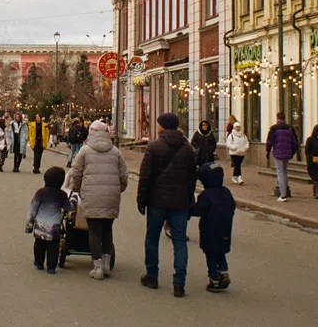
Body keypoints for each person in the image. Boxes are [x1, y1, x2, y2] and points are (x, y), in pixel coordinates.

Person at [137, 112, 198, 298]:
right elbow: (191, 178)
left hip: (157, 202)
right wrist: (189, 200)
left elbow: (145, 176)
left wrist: (141, 199)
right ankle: (179, 283)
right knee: (179, 241)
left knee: (152, 238)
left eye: (158, 124)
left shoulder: (154, 147)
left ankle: (152, 276)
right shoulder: (188, 149)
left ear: (163, 126)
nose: (157, 126)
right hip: (180, 203)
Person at [71, 120, 128, 281]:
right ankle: (106, 264)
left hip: (91, 195)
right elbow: (124, 175)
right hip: (111, 196)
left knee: (94, 231)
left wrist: (78, 188)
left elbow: (76, 172)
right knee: (107, 229)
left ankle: (97, 267)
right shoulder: (115, 152)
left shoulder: (85, 150)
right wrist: (118, 189)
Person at [190, 162, 235, 293]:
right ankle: (224, 272)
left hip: (209, 231)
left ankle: (214, 279)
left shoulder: (206, 195)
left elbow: (199, 210)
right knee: (220, 253)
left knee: (210, 255)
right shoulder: (226, 192)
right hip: (225, 229)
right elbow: (232, 206)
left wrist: (189, 208)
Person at [25, 166, 73, 275]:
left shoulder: (40, 193)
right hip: (54, 228)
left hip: (40, 226)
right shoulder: (62, 195)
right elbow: (68, 208)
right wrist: (73, 201)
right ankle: (51, 267)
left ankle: (39, 262)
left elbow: (33, 209)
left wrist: (29, 225)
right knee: (53, 248)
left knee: (39, 245)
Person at [265, 112, 299, 202]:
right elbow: (295, 142)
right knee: (284, 171)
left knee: (280, 173)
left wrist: (267, 152)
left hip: (278, 153)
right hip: (287, 154)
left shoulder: (274, 129)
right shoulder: (290, 128)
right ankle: (286, 192)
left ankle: (283, 195)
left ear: (277, 118)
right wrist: (292, 152)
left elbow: (269, 142)